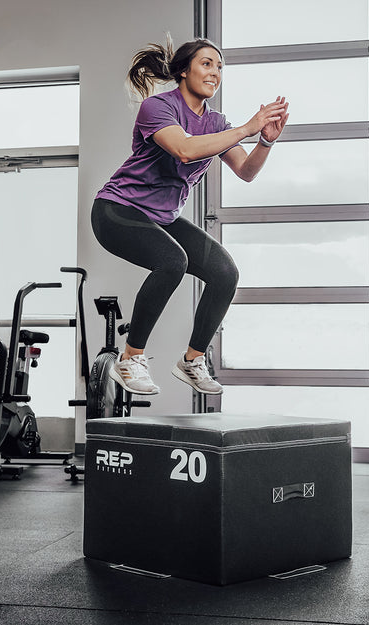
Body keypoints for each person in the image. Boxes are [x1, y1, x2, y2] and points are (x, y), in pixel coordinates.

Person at [91, 36, 289, 396]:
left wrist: (265, 142)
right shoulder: (158, 107)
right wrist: (246, 128)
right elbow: (183, 149)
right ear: (184, 70)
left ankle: (192, 360)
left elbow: (245, 170)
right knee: (172, 260)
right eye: (207, 63)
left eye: (219, 66)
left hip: (161, 218)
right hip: (116, 211)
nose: (215, 72)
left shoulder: (215, 123)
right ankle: (130, 358)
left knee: (224, 273)